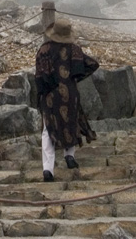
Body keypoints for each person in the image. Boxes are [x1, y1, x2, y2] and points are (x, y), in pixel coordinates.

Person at [35, 18, 99, 182]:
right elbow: (92, 64)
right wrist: (75, 78)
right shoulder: (74, 49)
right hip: (70, 93)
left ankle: (48, 169)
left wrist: (43, 93)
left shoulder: (44, 49)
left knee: (48, 130)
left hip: (50, 94)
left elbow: (40, 75)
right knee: (70, 122)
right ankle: (69, 156)